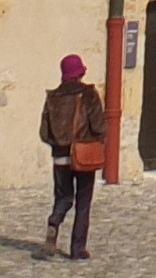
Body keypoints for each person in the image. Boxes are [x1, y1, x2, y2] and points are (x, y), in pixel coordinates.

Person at [39, 53, 107, 259]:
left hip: (60, 158)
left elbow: (44, 132)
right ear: (79, 73)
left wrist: (59, 144)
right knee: (83, 202)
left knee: (63, 197)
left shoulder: (52, 97)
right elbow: (98, 125)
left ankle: (55, 221)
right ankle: (77, 249)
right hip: (84, 155)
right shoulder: (88, 94)